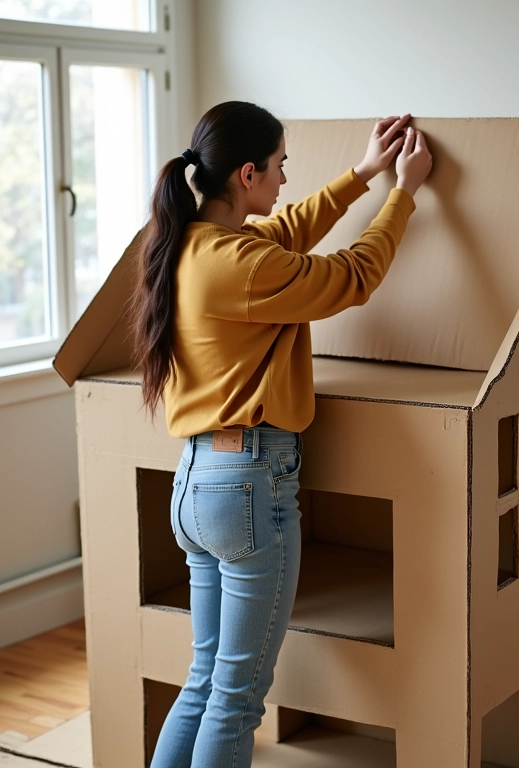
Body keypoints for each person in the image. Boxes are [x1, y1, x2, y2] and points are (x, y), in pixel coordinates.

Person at [132, 101, 432, 768]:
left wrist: (364, 173)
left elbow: (288, 230)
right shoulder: (240, 263)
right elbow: (352, 276)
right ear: (248, 174)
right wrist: (404, 195)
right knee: (237, 698)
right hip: (247, 487)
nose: (285, 180)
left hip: (197, 482)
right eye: (279, 166)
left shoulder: (190, 244)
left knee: (205, 681)